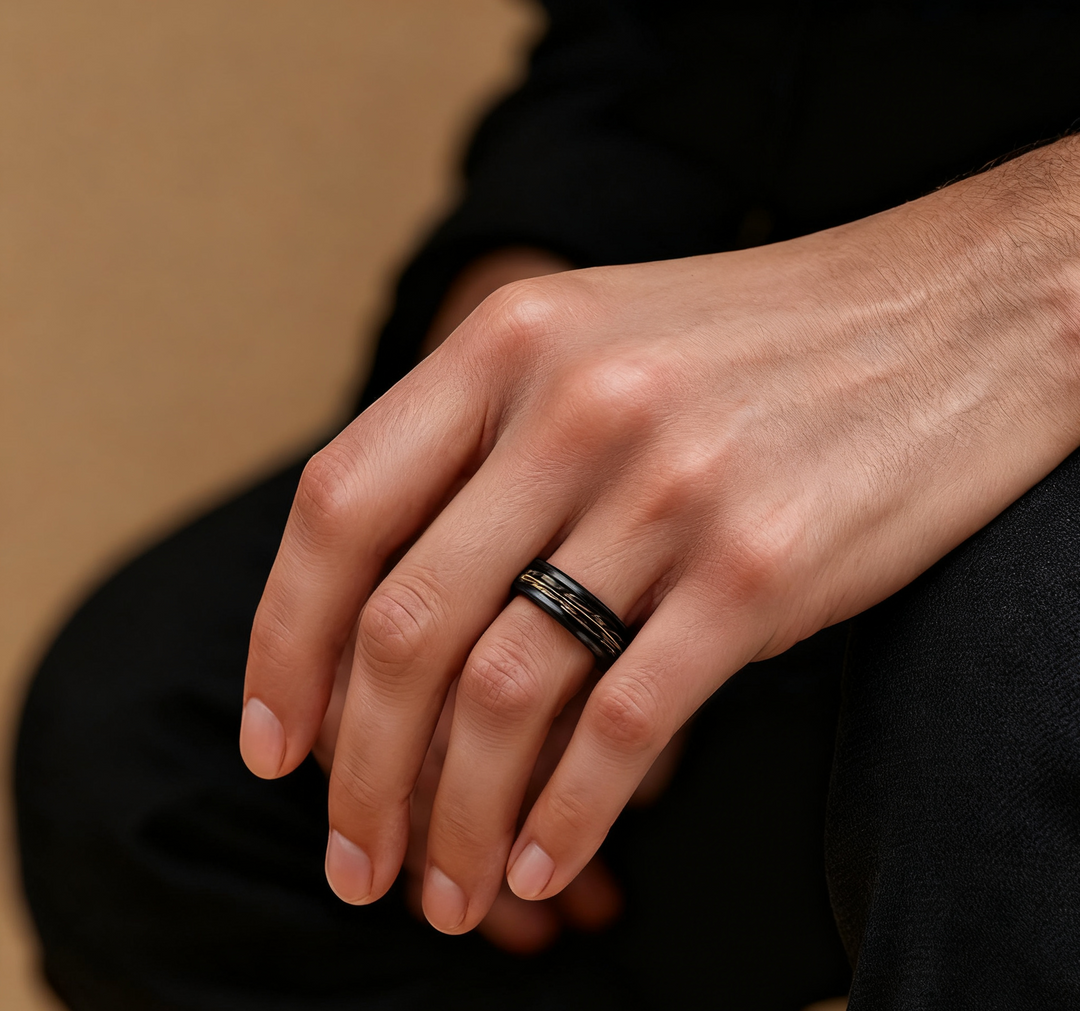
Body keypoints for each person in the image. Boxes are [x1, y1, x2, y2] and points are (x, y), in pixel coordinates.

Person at [16, 2, 1080, 1009]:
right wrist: (502, 446)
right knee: (165, 766)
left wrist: (1009, 286)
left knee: (997, 695)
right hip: (790, 279)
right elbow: (646, 45)